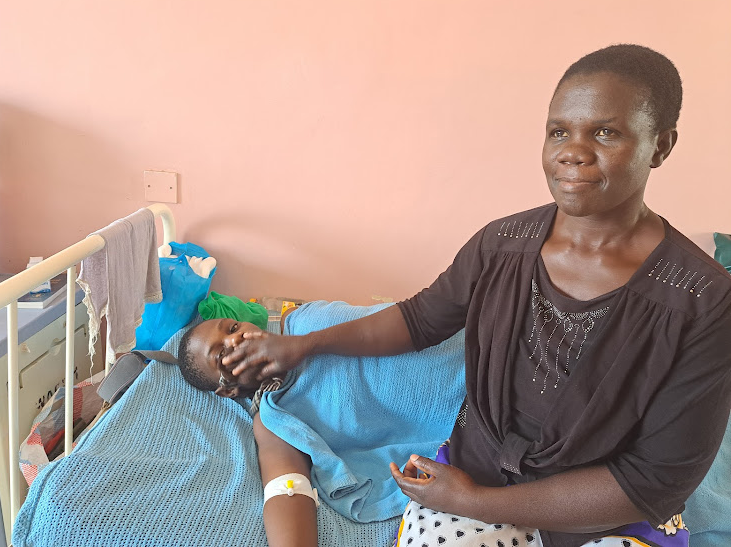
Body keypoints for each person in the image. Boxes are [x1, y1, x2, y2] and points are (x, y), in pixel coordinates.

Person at [220, 44, 731, 547]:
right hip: (479, 472)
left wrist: (473, 504)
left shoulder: (703, 299)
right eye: (559, 131)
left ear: (661, 146)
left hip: (602, 520)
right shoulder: (501, 246)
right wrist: (302, 344)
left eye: (606, 132)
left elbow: (654, 482)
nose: (573, 151)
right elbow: (419, 320)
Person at [178, 316, 321, 547]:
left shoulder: (295, 321)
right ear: (228, 391)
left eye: (234, 327)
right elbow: (287, 487)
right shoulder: (271, 417)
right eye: (221, 355)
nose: (235, 338)